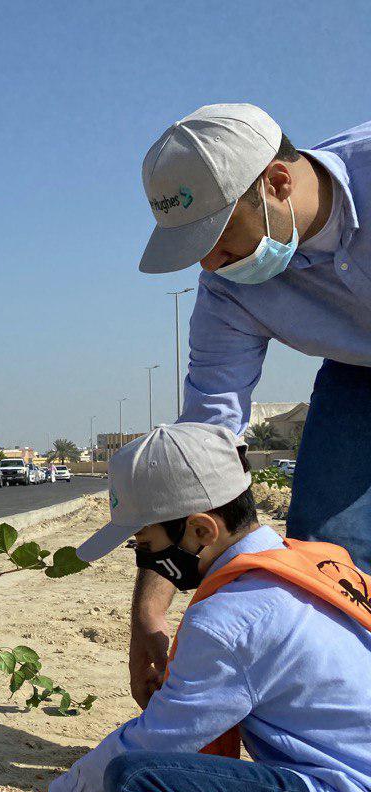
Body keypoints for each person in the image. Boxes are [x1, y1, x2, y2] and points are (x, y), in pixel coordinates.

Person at [31, 422, 371, 792]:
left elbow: (157, 741)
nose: (145, 561)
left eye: (146, 545)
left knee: (139, 783)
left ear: (199, 530)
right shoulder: (314, 565)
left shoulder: (235, 616)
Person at [129, 103, 371, 723]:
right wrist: (150, 612)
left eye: (215, 239)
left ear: (277, 183)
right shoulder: (229, 289)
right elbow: (203, 453)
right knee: (325, 562)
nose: (207, 264)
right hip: (359, 372)